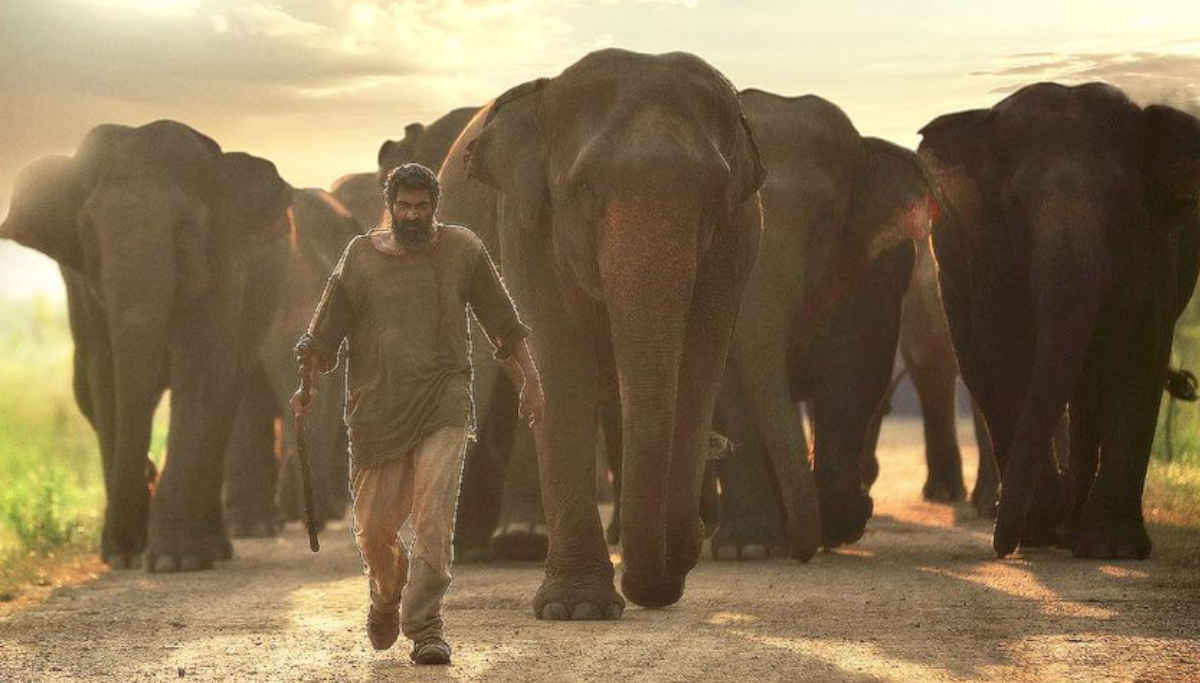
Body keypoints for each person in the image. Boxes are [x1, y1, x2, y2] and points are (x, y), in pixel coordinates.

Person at [291, 163, 544, 666]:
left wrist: (531, 380)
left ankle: (427, 625)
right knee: (373, 530)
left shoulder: (462, 250)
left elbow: (503, 321)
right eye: (404, 207)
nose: (412, 215)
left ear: (434, 208)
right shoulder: (360, 256)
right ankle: (386, 594)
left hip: (443, 399)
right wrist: (308, 386)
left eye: (421, 207)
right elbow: (324, 332)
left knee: (433, 519)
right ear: (391, 206)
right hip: (376, 408)